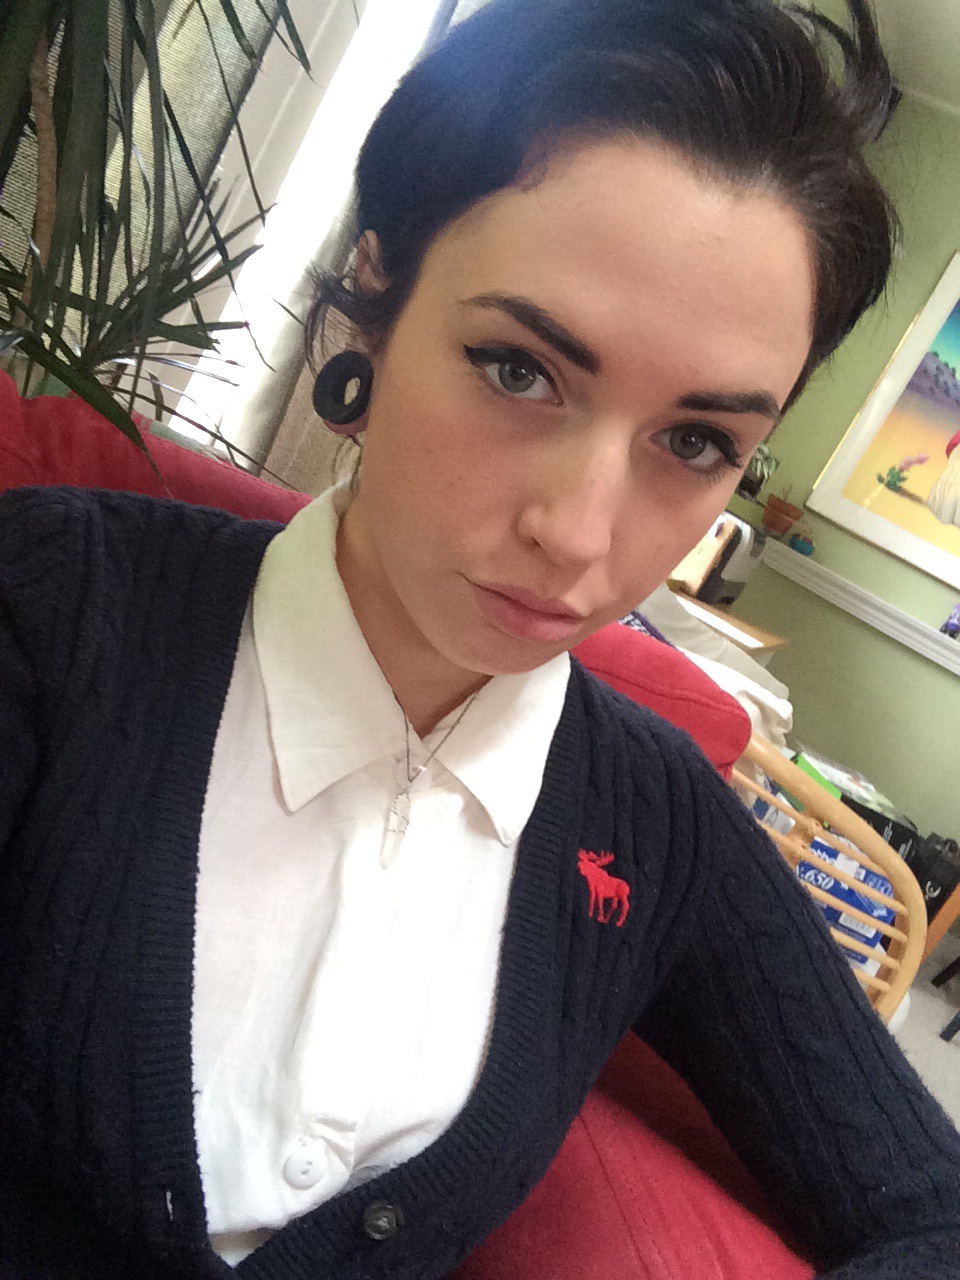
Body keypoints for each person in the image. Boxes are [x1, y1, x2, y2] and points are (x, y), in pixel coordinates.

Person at [2, 0, 960, 1277]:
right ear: (374, 304)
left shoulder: (658, 823)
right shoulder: (54, 607)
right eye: (519, 368)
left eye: (696, 441)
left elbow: (929, 1208)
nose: (578, 534)